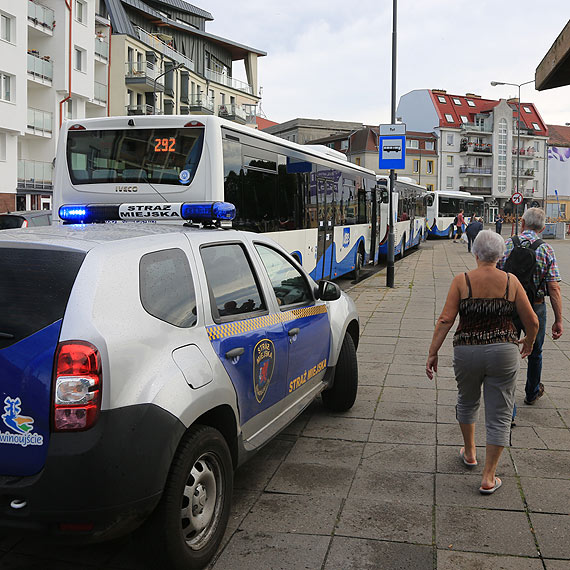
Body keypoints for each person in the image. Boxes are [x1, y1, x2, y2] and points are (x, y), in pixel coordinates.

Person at [426, 230, 538, 494]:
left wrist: (433, 352)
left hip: (467, 351)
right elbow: (532, 321)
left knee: (467, 400)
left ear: (475, 253)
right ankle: (489, 477)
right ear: (501, 255)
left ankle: (470, 452)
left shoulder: (462, 281)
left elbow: (445, 320)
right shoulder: (512, 282)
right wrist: (529, 343)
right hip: (504, 352)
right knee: (500, 412)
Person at [497, 208, 563, 405]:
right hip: (536, 307)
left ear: (522, 223)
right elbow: (554, 287)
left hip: (509, 306)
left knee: (506, 349)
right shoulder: (546, 249)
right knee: (535, 351)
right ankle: (532, 392)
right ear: (542, 228)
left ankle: (504, 398)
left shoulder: (507, 244)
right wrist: (558, 320)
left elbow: (497, 277)